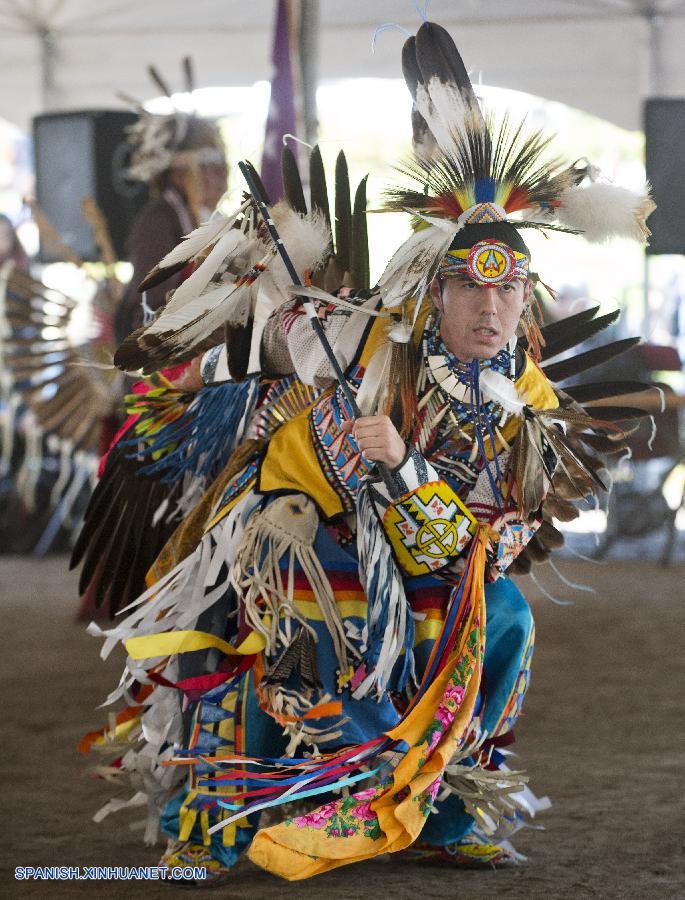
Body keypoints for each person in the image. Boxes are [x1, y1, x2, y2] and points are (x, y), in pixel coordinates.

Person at [78, 21, 653, 885]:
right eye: (470, 286)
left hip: (437, 559)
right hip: (308, 531)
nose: (490, 309)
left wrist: (417, 477)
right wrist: (259, 326)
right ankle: (222, 818)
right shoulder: (353, 342)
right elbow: (238, 348)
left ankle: (447, 805)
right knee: (291, 608)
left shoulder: (523, 395)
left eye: (507, 289)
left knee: (503, 619)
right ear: (432, 289)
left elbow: (483, 531)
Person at [115, 85, 228, 343]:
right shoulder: (158, 221)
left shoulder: (211, 217)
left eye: (223, 163)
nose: (222, 174)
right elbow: (150, 305)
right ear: (179, 173)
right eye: (209, 165)